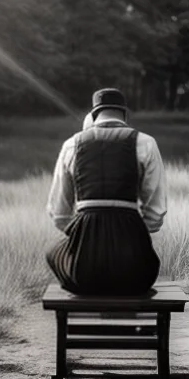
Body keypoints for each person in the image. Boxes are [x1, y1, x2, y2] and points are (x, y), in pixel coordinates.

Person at [45, 87, 167, 295]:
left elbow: (58, 214)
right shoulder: (146, 143)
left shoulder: (71, 145)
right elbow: (155, 215)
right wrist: (129, 233)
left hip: (83, 273)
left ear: (93, 115)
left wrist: (85, 234)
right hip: (134, 272)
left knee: (52, 252)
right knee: (144, 264)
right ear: (124, 114)